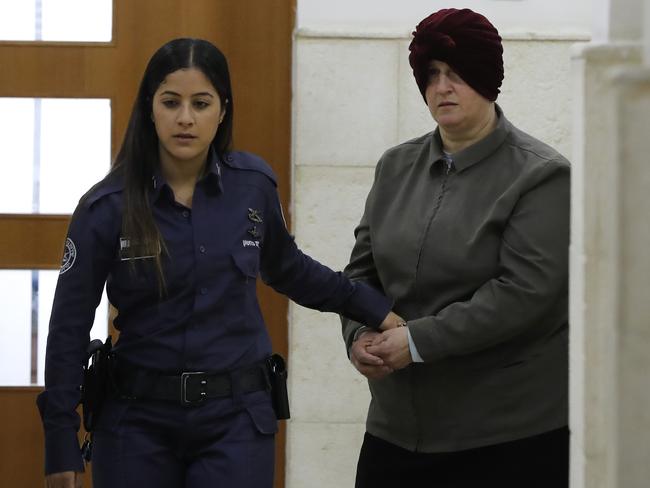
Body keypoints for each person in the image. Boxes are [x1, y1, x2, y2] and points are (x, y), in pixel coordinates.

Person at [37, 38, 402, 488]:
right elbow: (68, 325)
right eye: (171, 102)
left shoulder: (253, 187)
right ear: (150, 108)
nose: (185, 118)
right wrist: (60, 438)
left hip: (236, 423)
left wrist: (374, 310)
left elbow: (290, 269)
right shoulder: (105, 207)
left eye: (201, 103)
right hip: (135, 424)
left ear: (223, 110)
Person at [341, 8, 570, 488]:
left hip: (507, 435)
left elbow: (524, 294)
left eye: (457, 73)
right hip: (397, 430)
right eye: (432, 74)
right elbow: (361, 274)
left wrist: (418, 342)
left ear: (489, 79)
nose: (442, 87)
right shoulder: (395, 166)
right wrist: (359, 335)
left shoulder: (542, 175)